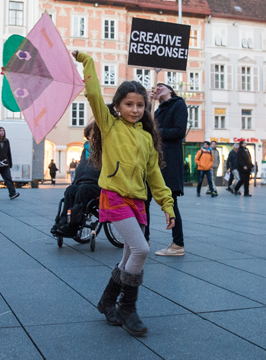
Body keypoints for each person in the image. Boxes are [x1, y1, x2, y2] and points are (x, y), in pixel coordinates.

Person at [75, 50, 175, 337]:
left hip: (138, 201)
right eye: (129, 104)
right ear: (117, 107)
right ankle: (127, 307)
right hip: (115, 196)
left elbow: (155, 175)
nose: (135, 109)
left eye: (140, 105)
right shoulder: (110, 126)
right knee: (142, 250)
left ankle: (107, 300)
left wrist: (167, 205)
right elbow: (93, 95)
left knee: (131, 253)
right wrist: (87, 62)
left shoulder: (146, 137)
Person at [149, 81, 188, 257]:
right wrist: (149, 104)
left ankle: (178, 244)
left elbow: (179, 131)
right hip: (154, 160)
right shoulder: (157, 110)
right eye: (155, 88)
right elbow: (147, 127)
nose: (158, 88)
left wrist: (157, 132)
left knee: (170, 202)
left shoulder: (178, 104)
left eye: (161, 86)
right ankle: (144, 238)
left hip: (170, 160)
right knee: (144, 198)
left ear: (170, 90)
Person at [53, 123, 101, 236]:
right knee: (70, 190)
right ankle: (63, 221)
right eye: (91, 135)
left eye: (96, 135)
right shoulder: (85, 150)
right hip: (82, 182)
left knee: (82, 190)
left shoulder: (104, 149)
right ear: (88, 136)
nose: (93, 137)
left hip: (96, 185)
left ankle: (73, 226)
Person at [0, 127, 19, 200]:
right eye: (0, 131)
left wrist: (10, 163)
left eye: (3, 131)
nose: (2, 132)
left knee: (8, 179)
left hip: (5, 164)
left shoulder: (6, 141)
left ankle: (12, 194)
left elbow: (9, 153)